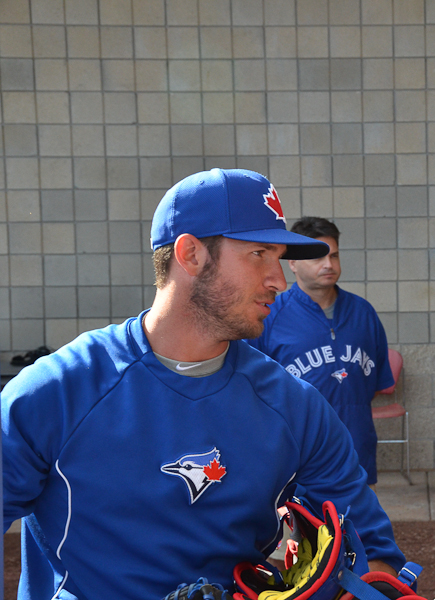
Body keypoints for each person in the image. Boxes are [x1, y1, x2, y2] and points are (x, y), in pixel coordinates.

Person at [2, 168, 404, 600]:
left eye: (280, 257)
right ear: (191, 254)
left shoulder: (295, 406)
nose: (279, 280)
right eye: (259, 254)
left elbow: (375, 557)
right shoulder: (58, 391)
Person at [248, 217, 394, 486]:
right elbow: (253, 390)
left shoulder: (364, 313)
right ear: (291, 263)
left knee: (359, 526)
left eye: (334, 256)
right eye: (318, 257)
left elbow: (372, 384)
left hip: (357, 448)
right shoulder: (269, 316)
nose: (329, 264)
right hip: (299, 456)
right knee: (305, 528)